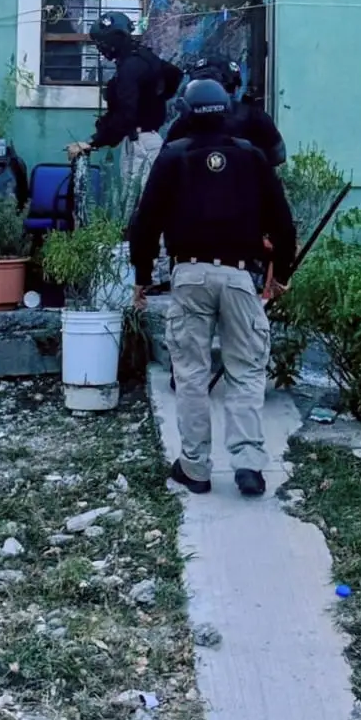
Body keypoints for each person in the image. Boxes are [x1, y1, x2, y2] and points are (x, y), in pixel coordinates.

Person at [129, 77, 296, 498]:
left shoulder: (172, 158)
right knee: (245, 374)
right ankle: (249, 466)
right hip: (240, 278)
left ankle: (196, 468)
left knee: (190, 375)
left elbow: (143, 225)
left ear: (184, 112)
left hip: (189, 277)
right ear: (226, 110)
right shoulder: (252, 157)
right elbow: (283, 223)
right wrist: (283, 273)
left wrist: (142, 278)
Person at [66, 12, 182, 212]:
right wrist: (154, 99)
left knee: (137, 208)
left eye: (102, 42)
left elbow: (125, 115)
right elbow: (174, 74)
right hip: (145, 139)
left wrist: (93, 141)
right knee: (142, 206)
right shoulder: (143, 57)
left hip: (141, 144)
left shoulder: (130, 67)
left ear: (114, 39)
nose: (100, 48)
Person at [167, 57, 286, 167]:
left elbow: (164, 166)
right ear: (235, 89)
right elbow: (278, 157)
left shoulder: (183, 122)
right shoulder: (256, 118)